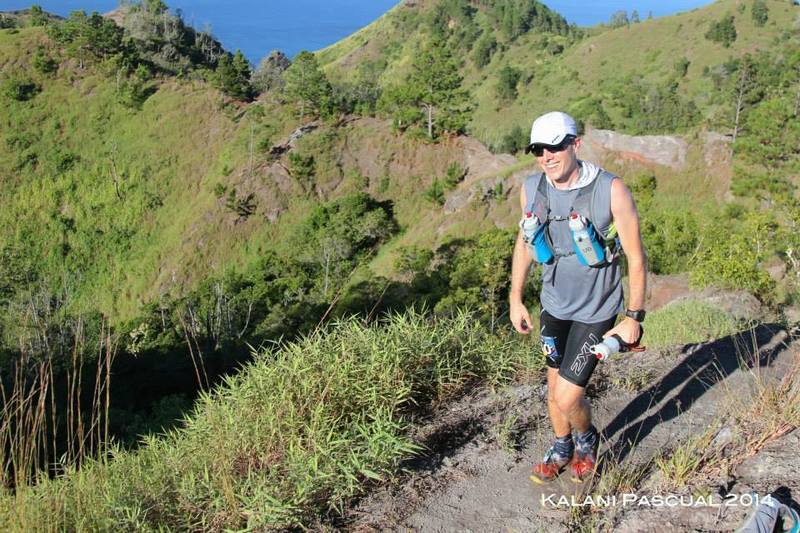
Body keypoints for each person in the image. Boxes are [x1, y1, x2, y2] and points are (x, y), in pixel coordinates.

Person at [509, 111, 647, 483]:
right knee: (554, 388)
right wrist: (516, 297)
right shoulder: (532, 187)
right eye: (539, 149)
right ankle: (561, 445)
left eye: (554, 146)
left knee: (569, 397)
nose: (546, 156)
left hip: (595, 310)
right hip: (553, 306)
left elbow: (635, 256)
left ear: (575, 144)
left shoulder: (611, 189)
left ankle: (587, 440)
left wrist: (634, 316)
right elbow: (524, 242)